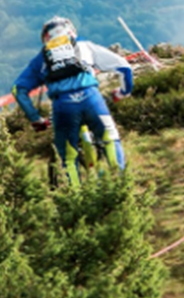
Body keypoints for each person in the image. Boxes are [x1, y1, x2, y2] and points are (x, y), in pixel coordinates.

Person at [13, 16, 133, 185]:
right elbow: (124, 67)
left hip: (63, 106)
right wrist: (122, 93)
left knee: (68, 157)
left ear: (45, 39)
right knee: (110, 138)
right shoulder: (85, 46)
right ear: (71, 32)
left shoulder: (40, 60)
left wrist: (35, 119)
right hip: (92, 99)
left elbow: (18, 90)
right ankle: (121, 185)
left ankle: (76, 198)